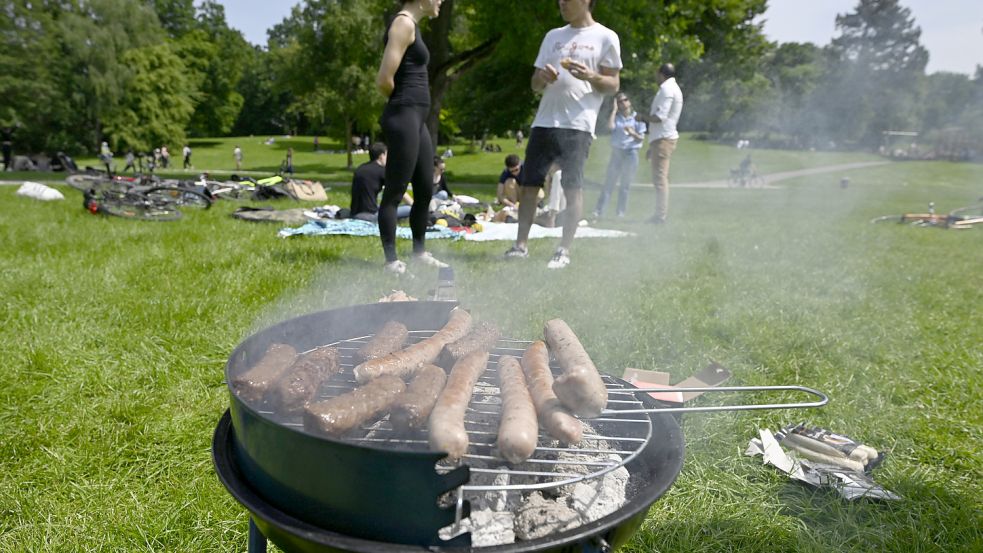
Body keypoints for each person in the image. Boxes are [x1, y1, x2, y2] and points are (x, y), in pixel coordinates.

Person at [504, 0, 622, 269]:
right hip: (545, 121)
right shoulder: (553, 37)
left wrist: (591, 75)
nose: (562, 3)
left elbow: (613, 84)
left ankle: (563, 250)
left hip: (578, 124)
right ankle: (520, 246)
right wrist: (543, 77)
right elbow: (534, 84)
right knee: (530, 185)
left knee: (572, 186)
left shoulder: (605, 37)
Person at [375, 0, 447, 274]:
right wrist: (402, 104)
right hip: (404, 115)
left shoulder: (412, 26)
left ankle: (419, 252)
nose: (440, 1)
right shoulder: (403, 23)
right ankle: (391, 260)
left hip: (417, 121)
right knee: (395, 190)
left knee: (425, 190)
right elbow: (384, 79)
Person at [637, 63, 683, 224]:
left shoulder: (666, 89)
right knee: (661, 178)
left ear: (661, 74)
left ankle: (660, 216)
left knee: (660, 179)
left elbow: (659, 117)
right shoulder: (672, 88)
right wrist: (652, 145)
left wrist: (642, 117)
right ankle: (659, 214)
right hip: (662, 138)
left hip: (664, 138)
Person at [593, 92, 646, 219]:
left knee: (625, 185)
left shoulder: (637, 118)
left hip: (631, 153)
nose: (623, 103)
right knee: (609, 183)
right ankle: (599, 211)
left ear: (629, 102)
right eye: (619, 101)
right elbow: (610, 127)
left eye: (625, 100)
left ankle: (620, 213)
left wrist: (632, 133)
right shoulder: (616, 118)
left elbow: (641, 139)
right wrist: (614, 110)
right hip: (617, 153)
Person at [350, 142, 413, 222]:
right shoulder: (381, 171)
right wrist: (414, 205)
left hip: (354, 213)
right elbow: (399, 190)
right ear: (381, 156)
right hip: (370, 215)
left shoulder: (360, 168)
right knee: (409, 208)